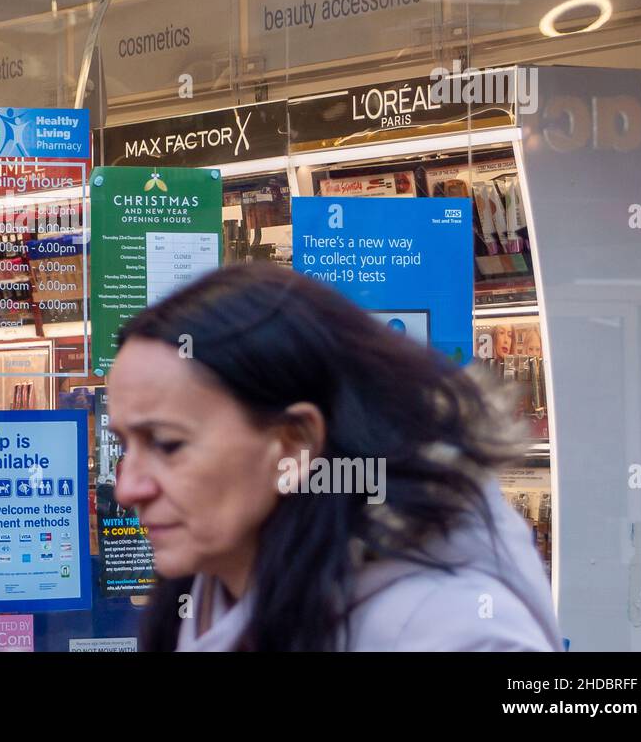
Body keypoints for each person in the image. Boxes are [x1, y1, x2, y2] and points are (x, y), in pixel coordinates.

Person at [107, 263, 562, 651]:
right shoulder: (204, 590)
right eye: (126, 445)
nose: (128, 488)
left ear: (292, 444)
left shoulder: (449, 631)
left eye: (167, 444)